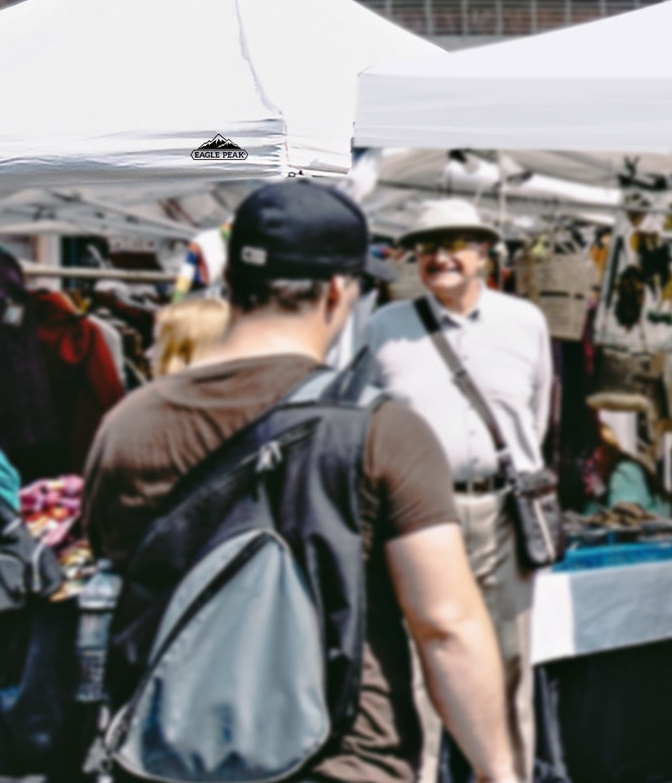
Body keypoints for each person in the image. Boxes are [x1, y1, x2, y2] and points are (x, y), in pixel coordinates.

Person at [84, 181, 519, 783]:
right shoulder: (380, 430)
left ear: (231, 281)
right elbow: (444, 625)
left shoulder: (125, 425)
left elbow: (117, 571)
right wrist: (499, 770)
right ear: (337, 291)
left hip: (167, 757)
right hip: (341, 760)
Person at [368, 199, 553, 783]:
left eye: (454, 245)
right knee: (421, 669)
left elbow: (539, 415)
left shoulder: (526, 322)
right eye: (427, 247)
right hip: (418, 515)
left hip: (501, 510)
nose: (440, 257)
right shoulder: (384, 328)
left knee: (509, 668)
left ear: (483, 254)